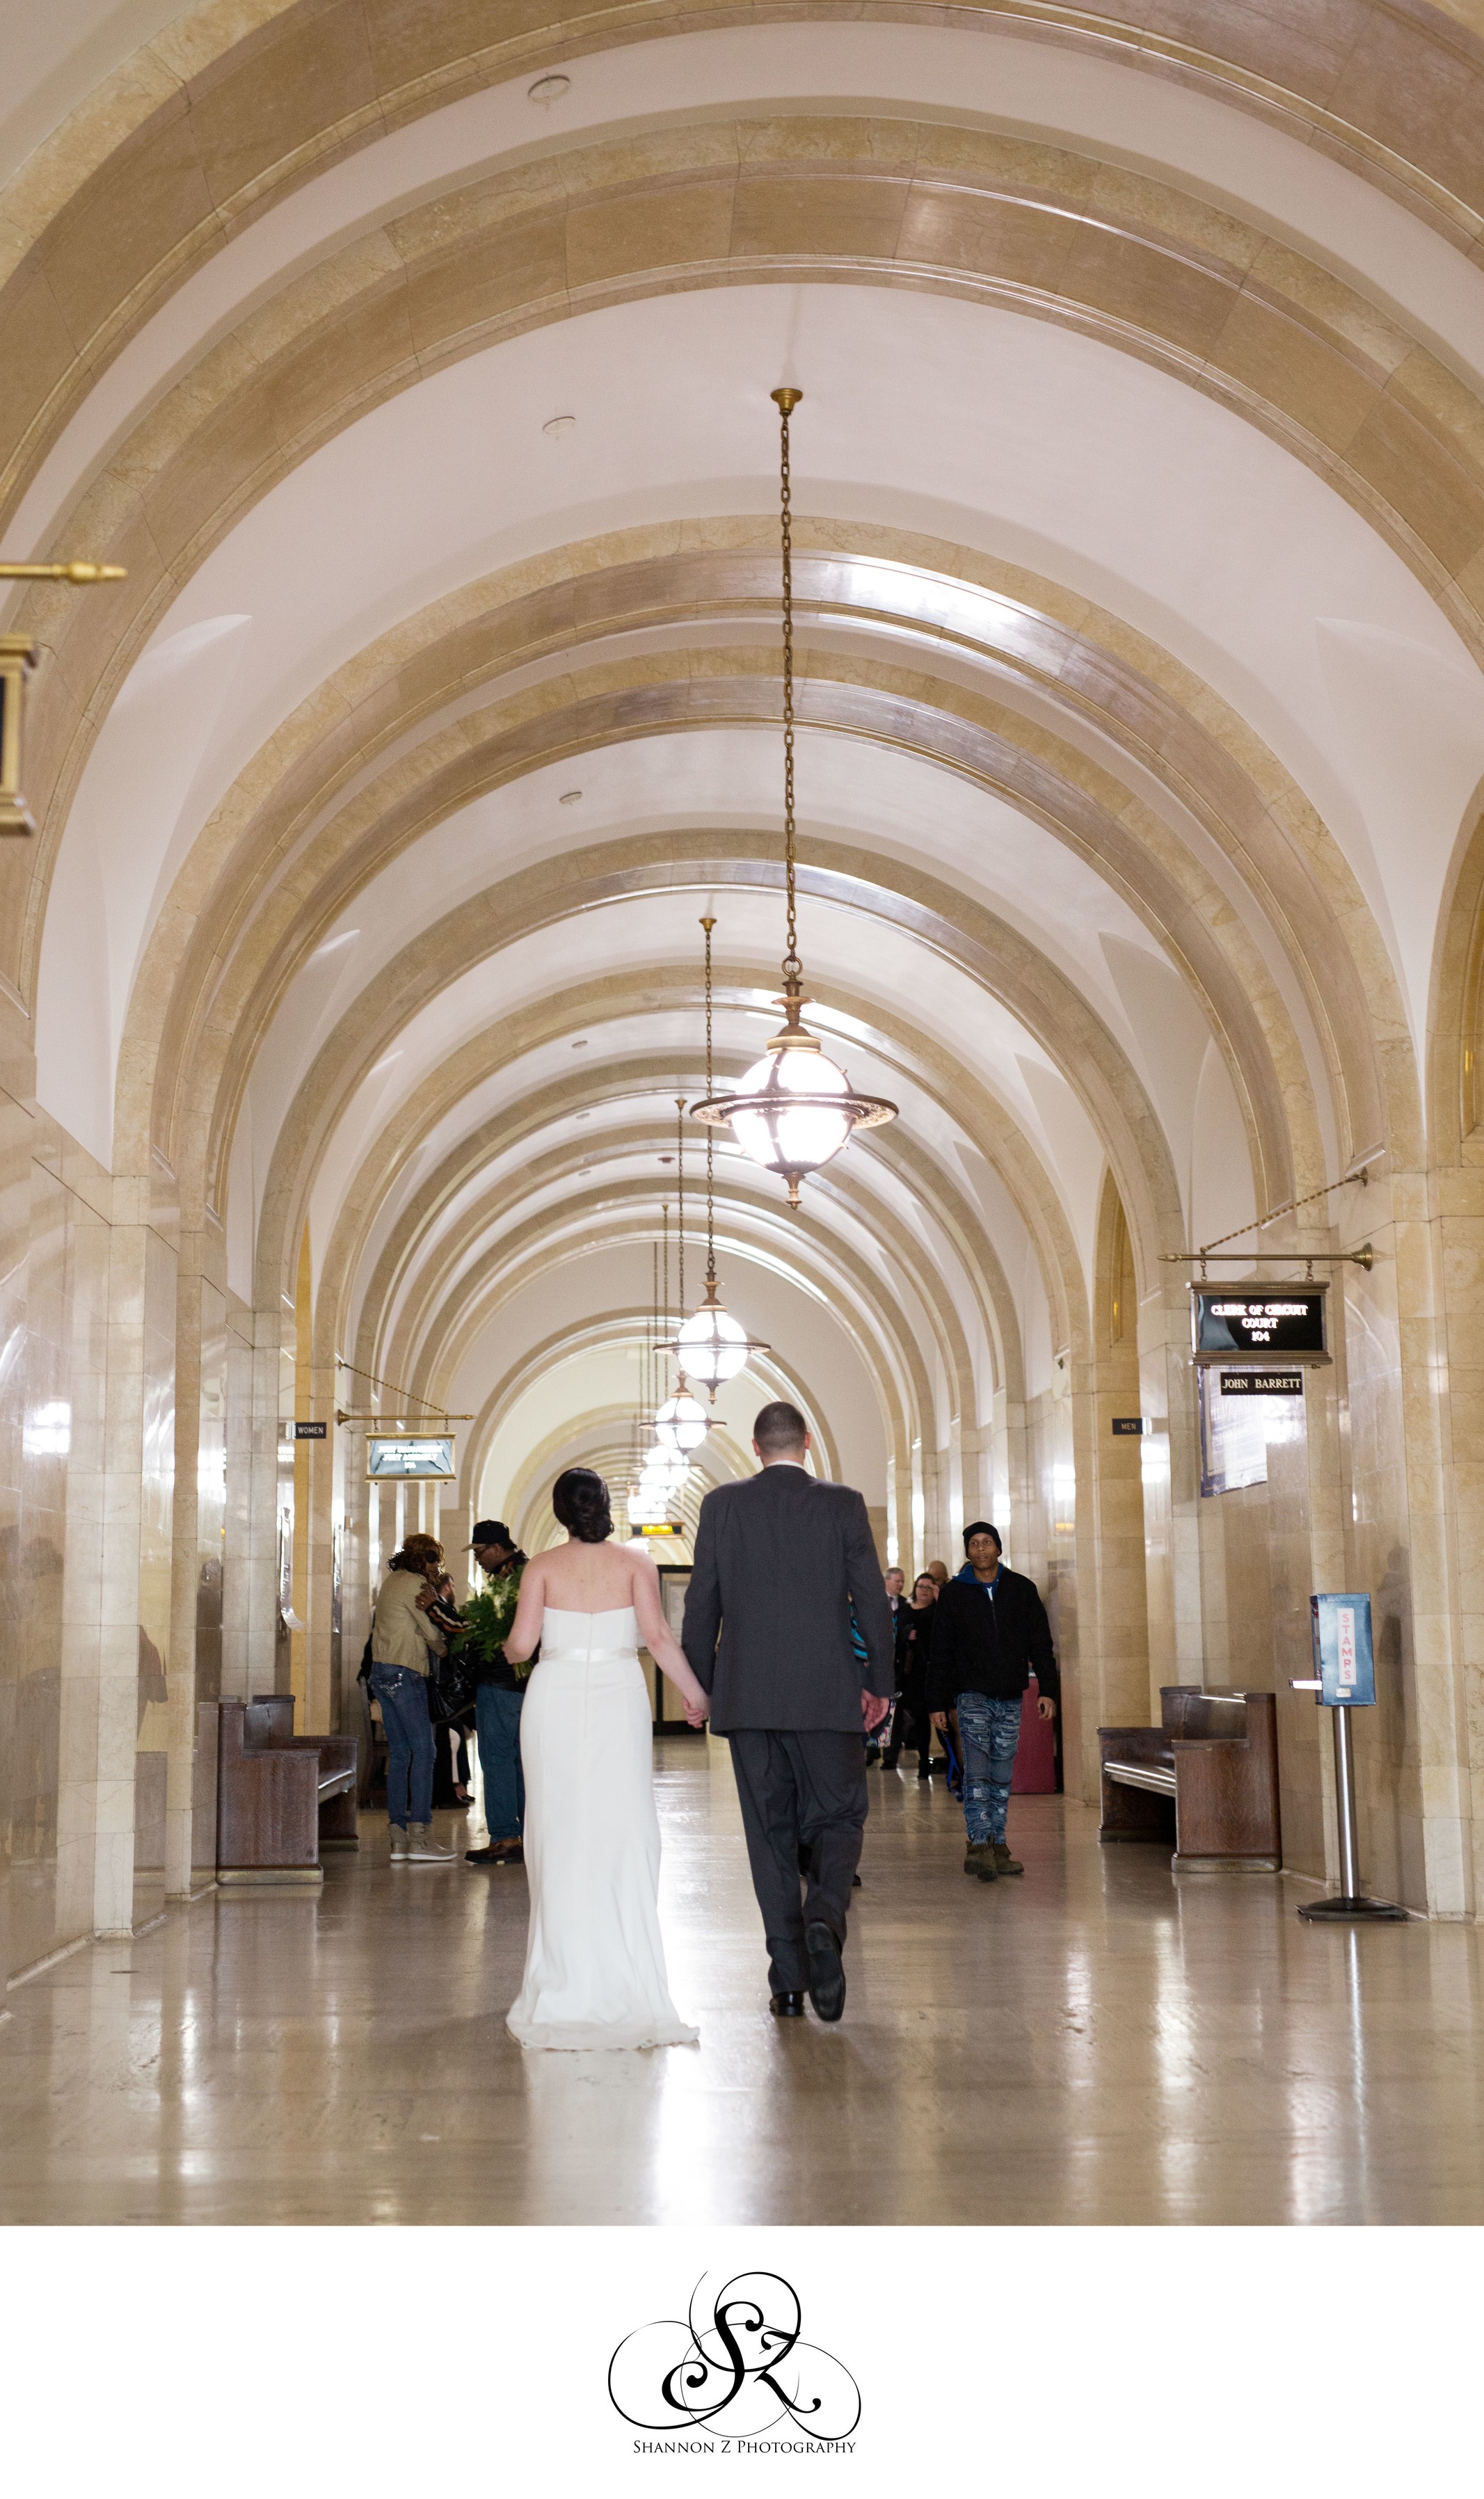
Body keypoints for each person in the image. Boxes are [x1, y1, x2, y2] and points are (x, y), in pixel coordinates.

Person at [681, 1400, 894, 2024]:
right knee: (840, 1816)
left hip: (748, 1698)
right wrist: (879, 1683)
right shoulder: (843, 1504)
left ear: (755, 1447)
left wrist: (699, 1688)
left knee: (769, 1835)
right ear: (806, 1442)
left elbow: (701, 1604)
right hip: (828, 1693)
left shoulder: (721, 1505)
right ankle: (824, 1914)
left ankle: (789, 1981)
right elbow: (871, 1601)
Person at [502, 1467, 710, 2050]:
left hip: (555, 1697)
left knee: (559, 1828)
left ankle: (562, 1978)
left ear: (560, 1511)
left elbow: (521, 1646)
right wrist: (695, 1694)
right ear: (604, 1506)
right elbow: (659, 1638)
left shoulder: (541, 1568)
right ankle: (625, 1975)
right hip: (619, 1694)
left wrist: (505, 1647)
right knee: (621, 1827)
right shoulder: (636, 1563)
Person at [927, 1522, 1058, 1881]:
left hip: (1010, 1696)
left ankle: (999, 1843)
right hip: (971, 1695)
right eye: (974, 1544)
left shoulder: (1021, 1589)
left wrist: (1047, 1689)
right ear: (967, 1552)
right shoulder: (955, 1594)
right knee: (978, 1771)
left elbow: (1041, 1644)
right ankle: (979, 1845)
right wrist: (936, 1702)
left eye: (987, 1542)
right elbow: (940, 1652)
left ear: (998, 1548)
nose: (981, 1549)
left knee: (1001, 1773)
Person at [369, 1533, 458, 1861]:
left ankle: (398, 1839)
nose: (437, 1568)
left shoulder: (392, 1580)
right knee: (425, 1750)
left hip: (382, 1673)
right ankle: (420, 1838)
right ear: (422, 1558)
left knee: (401, 1753)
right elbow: (433, 1631)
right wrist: (445, 1649)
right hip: (405, 1672)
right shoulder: (417, 1585)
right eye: (434, 1560)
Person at [462, 1520, 532, 1868]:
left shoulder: (509, 1581)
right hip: (525, 1686)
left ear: (497, 1548)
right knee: (521, 1761)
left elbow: (496, 1633)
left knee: (498, 1760)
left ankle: (505, 1836)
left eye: (479, 1552)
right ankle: (528, 1837)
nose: (477, 1559)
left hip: (501, 1683)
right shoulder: (527, 1573)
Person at [885, 1572, 940, 1777]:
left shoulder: (936, 1612)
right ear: (915, 1589)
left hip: (924, 1673)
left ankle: (924, 1760)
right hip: (903, 1673)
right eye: (921, 1586)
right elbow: (893, 1634)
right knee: (896, 1715)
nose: (924, 1591)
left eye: (929, 1587)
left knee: (922, 1717)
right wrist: (906, 1635)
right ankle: (890, 1757)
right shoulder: (905, 1610)